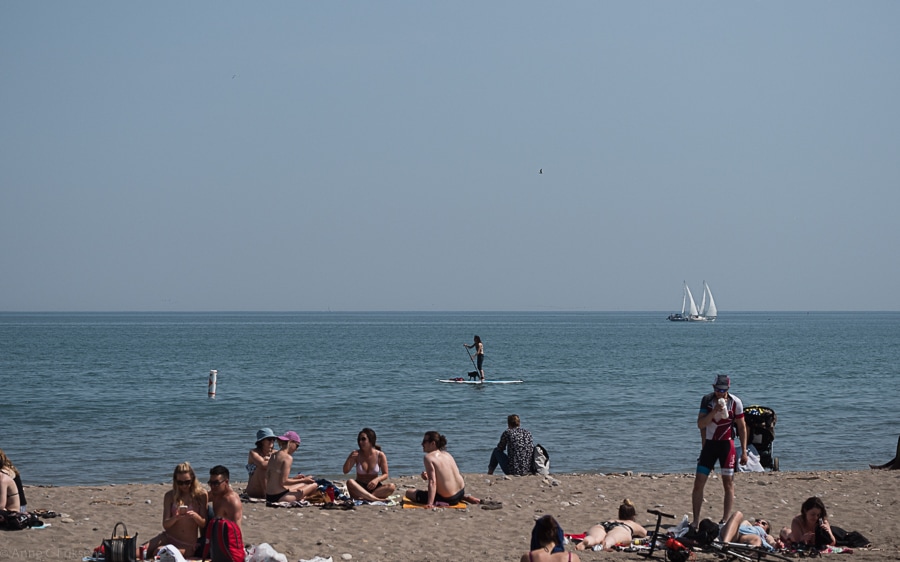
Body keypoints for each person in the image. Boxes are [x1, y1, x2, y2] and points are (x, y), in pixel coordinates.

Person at [691, 374, 749, 527]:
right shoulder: (707, 400)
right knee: (699, 482)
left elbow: (742, 427)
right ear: (713, 388)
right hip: (710, 445)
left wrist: (744, 451)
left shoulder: (735, 402)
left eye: (723, 390)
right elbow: (700, 424)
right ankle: (695, 521)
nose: (719, 393)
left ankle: (724, 520)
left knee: (728, 483)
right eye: (717, 389)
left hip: (726, 445)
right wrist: (714, 411)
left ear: (728, 389)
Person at [141, 462, 208, 557]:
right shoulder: (170, 496)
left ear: (193, 479)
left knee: (159, 553)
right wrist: (176, 518)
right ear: (175, 481)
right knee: (139, 552)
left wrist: (195, 516)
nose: (184, 485)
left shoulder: (201, 495)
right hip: (168, 537)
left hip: (187, 544)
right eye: (180, 482)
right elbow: (166, 525)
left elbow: (203, 523)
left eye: (187, 482)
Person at [405, 431, 467, 508]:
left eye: (425, 441)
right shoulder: (447, 454)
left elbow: (432, 482)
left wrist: (430, 503)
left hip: (449, 498)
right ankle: (466, 498)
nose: (422, 444)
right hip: (461, 493)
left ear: (433, 443)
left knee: (409, 493)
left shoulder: (429, 457)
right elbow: (447, 475)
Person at [342, 428, 397, 502]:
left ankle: (367, 498)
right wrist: (350, 458)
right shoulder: (356, 454)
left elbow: (385, 474)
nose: (360, 442)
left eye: (363, 439)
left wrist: (376, 480)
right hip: (359, 487)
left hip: (374, 488)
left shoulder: (380, 455)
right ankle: (374, 499)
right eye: (359, 439)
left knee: (392, 486)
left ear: (371, 440)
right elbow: (345, 471)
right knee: (350, 482)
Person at [204, 465, 245, 562]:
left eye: (216, 483)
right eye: (211, 483)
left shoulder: (231, 501)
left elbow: (236, 530)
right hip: (214, 531)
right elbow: (201, 497)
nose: (212, 486)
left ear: (226, 482)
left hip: (224, 541)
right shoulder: (216, 493)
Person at [265, 430, 318, 503]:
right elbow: (284, 482)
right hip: (280, 497)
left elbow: (270, 476)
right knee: (314, 484)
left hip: (269, 496)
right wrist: (304, 480)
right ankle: (303, 497)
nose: (296, 449)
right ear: (291, 442)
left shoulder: (273, 455)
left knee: (302, 484)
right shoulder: (287, 458)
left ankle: (302, 496)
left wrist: (294, 479)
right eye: (297, 445)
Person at [575, 499, 647, 551]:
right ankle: (605, 544)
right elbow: (645, 534)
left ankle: (588, 541)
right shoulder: (632, 523)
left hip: (603, 524)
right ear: (633, 515)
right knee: (612, 538)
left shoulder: (612, 519)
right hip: (622, 528)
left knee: (595, 537)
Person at [245, 427, 277, 499]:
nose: (271, 441)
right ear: (262, 441)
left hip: (272, 486)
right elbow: (263, 465)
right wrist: (272, 460)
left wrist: (269, 459)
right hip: (255, 489)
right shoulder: (254, 453)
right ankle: (268, 495)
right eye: (269, 439)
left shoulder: (276, 453)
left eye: (273, 439)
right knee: (261, 470)